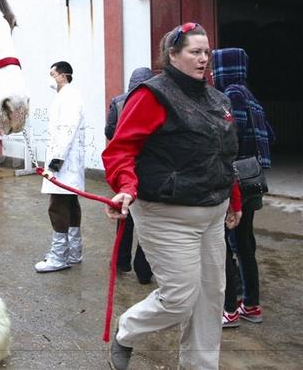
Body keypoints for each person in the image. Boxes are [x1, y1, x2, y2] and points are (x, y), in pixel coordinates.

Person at [102, 23, 242, 370]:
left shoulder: (217, 98)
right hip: (167, 215)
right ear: (173, 55)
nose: (204, 59)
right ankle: (127, 330)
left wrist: (234, 199)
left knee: (211, 300)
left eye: (206, 52)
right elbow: (120, 150)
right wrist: (125, 187)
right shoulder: (152, 95)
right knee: (180, 298)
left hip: (212, 214)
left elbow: (224, 155)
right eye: (195, 52)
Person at [212, 47, 275, 328]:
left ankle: (231, 309)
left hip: (235, 182)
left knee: (225, 244)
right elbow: (270, 135)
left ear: (226, 68)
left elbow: (229, 135)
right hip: (253, 181)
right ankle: (251, 305)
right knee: (245, 244)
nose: (213, 72)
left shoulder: (233, 95)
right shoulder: (250, 95)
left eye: (216, 67)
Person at [34, 61, 86, 273]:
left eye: (52, 74)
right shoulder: (65, 96)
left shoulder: (69, 97)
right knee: (71, 205)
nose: (50, 78)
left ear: (63, 76)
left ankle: (59, 257)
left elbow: (67, 131)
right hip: (66, 163)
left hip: (63, 164)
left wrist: (55, 163)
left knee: (57, 207)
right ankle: (73, 252)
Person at [105, 67, 153, 284]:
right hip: (150, 168)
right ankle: (144, 271)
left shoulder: (118, 101)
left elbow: (109, 132)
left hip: (126, 167)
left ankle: (120, 262)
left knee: (124, 215)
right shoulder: (155, 100)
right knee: (147, 222)